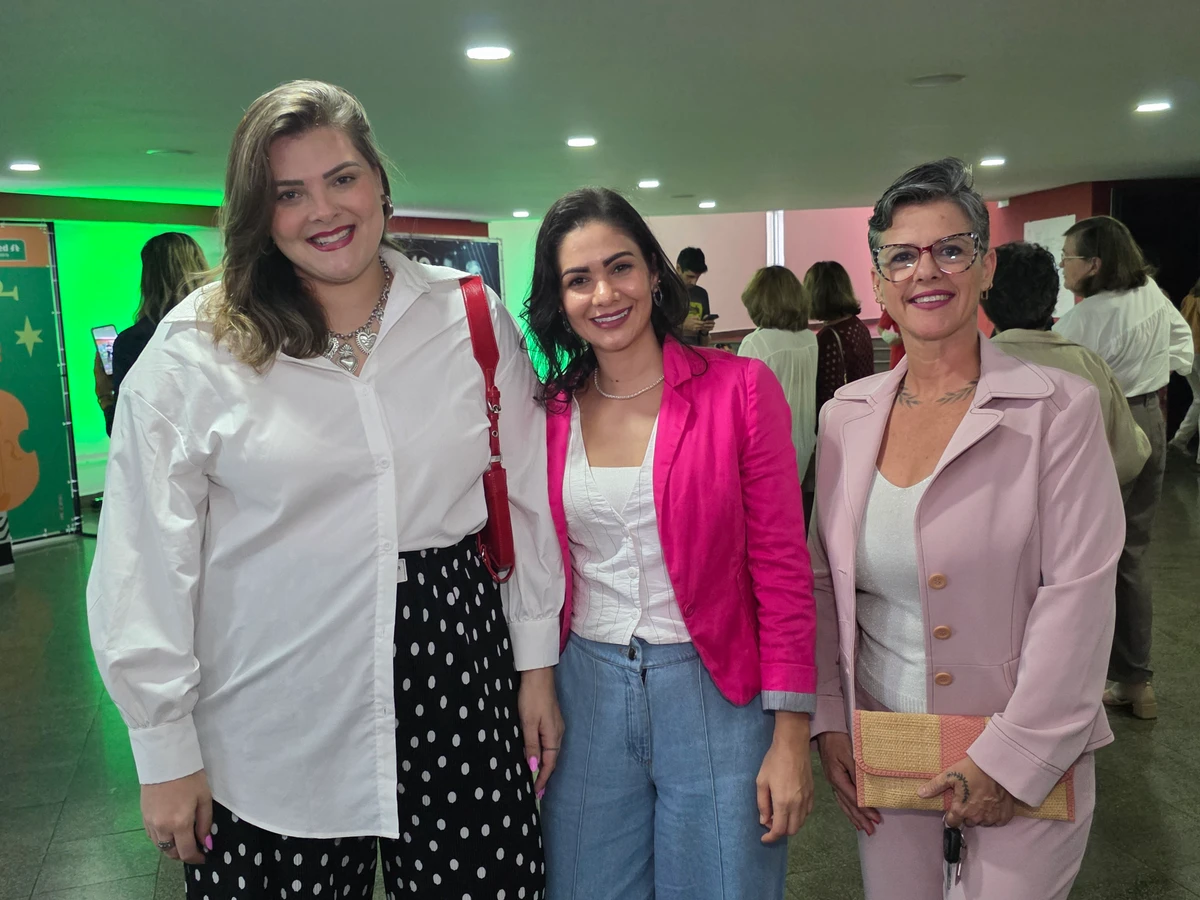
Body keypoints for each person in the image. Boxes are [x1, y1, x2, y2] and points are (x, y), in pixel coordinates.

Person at [87, 80, 564, 900]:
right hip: (273, 702)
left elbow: (524, 499)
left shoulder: (467, 315)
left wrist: (536, 668)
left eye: (342, 177)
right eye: (288, 193)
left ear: (379, 180)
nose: (324, 210)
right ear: (257, 212)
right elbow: (144, 560)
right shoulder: (195, 348)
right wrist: (163, 748)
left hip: (457, 666)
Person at [811, 158, 1123, 900]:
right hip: (890, 746)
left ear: (985, 267)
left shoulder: (1057, 410)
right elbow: (824, 582)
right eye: (902, 255)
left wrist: (1009, 759)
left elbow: (1078, 598)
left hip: (1024, 751)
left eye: (951, 249)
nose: (927, 270)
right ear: (879, 280)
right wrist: (830, 720)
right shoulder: (845, 418)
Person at [525, 187, 816, 900]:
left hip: (715, 693)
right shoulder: (549, 411)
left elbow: (782, 567)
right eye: (578, 279)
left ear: (655, 273)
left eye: (620, 267)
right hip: (586, 693)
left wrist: (790, 733)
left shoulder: (739, 389)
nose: (604, 294)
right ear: (559, 300)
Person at [1054, 216, 1194, 719]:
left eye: (1067, 257)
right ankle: (1137, 682)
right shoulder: (1152, 293)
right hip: (1150, 420)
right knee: (1132, 553)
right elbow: (1183, 349)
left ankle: (1077, 680)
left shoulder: (1081, 322)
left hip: (1102, 427)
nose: (1063, 267)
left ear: (1093, 264)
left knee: (1084, 556)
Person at [984, 241, 1151, 486]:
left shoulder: (969, 371)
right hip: (1083, 501)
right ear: (1053, 297)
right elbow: (1129, 456)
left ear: (984, 298)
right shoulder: (1090, 364)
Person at [737, 265, 819, 509]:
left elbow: (742, 405)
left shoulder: (757, 342)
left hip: (767, 450)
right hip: (803, 443)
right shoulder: (809, 338)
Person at [112, 233, 210, 399]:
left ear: (148, 279)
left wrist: (104, 396)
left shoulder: (133, 341)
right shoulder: (227, 328)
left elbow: (126, 414)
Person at [805, 260, 875, 412]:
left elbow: (827, 392)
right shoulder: (858, 325)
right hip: (862, 409)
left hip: (840, 415)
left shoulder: (828, 337)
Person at [1167, 277, 1200, 465]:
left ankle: (1179, 440)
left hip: (1188, 353)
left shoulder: (1189, 298)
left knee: (1199, 399)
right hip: (1199, 352)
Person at [676, 246, 716, 344]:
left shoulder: (701, 294)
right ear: (678, 268)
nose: (694, 282)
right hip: (671, 350)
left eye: (697, 277)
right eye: (690, 276)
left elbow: (704, 344)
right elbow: (656, 331)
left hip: (696, 350)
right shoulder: (664, 291)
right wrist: (682, 326)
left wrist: (704, 331)